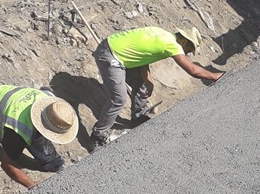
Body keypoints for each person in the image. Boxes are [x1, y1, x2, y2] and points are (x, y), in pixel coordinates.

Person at [91, 26, 223, 147]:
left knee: (142, 83)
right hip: (111, 56)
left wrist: (148, 80)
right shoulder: (171, 45)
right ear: (184, 41)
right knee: (119, 99)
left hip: (113, 49)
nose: (186, 54)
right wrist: (214, 76)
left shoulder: (161, 33)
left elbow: (140, 54)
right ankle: (98, 135)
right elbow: (192, 70)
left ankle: (139, 116)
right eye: (188, 50)